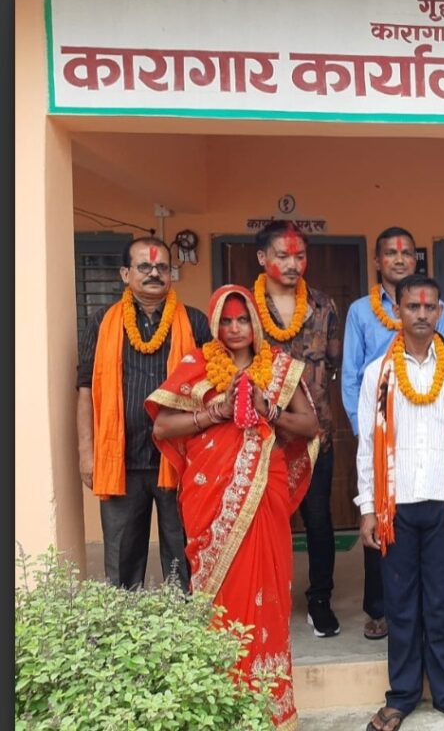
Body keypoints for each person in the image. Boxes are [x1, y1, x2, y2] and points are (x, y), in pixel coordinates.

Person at [146, 284, 320, 730]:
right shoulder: (198, 365)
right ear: (215, 325)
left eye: (243, 319)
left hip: (265, 491)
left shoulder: (278, 367)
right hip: (209, 495)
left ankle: (272, 710)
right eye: (226, 320)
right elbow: (163, 427)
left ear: (255, 323)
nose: (236, 328)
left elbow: (310, 424)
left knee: (267, 591)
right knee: (218, 599)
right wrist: (214, 413)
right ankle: (221, 709)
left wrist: (269, 411)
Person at [355, 275, 444, 731]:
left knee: (439, 603)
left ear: (440, 312)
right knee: (400, 605)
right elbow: (367, 445)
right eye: (412, 306)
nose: (421, 314)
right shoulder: (377, 373)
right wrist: (367, 508)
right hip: (393, 507)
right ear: (398, 310)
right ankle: (402, 695)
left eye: (429, 307)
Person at [76, 236, 211, 590]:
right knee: (122, 560)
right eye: (145, 266)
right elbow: (85, 387)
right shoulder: (102, 322)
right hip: (121, 460)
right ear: (125, 273)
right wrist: (86, 453)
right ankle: (125, 620)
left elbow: (214, 389)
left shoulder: (195, 322)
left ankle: (183, 621)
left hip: (181, 459)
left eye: (162, 267)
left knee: (183, 554)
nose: (154, 273)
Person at [342, 226, 444, 641]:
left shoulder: (434, 307)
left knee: (428, 537)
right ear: (378, 261)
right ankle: (380, 609)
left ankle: (425, 612)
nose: (400, 258)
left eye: (407, 252)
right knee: (380, 526)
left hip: (427, 423)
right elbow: (351, 376)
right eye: (390, 252)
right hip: (380, 431)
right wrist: (366, 433)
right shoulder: (360, 311)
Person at [252, 220, 343, 638]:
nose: (293, 264)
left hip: (315, 435)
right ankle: (268, 599)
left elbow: (334, 362)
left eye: (300, 256)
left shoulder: (323, 306)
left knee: (319, 520)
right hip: (262, 435)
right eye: (283, 255)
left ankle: (320, 599)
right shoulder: (246, 308)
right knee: (264, 521)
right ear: (263, 258)